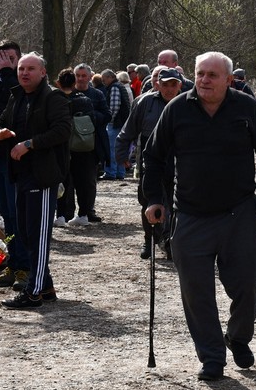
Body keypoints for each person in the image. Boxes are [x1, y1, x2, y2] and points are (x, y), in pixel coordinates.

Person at [142, 52, 256, 382]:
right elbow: (154, 156)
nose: (204, 80)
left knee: (248, 282)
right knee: (196, 292)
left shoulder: (246, 107)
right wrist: (152, 200)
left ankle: (238, 337)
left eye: (212, 75)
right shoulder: (177, 109)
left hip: (240, 213)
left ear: (228, 80)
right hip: (190, 215)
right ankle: (212, 356)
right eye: (200, 73)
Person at [0, 52, 72, 309]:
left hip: (43, 176)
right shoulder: (17, 97)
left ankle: (33, 291)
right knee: (25, 233)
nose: (24, 73)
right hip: (20, 174)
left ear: (43, 73)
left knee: (38, 235)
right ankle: (45, 286)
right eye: (21, 69)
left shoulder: (53, 97)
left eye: (30, 69)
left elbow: (62, 130)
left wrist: (29, 144)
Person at [115, 66, 182, 259]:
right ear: (157, 85)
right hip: (150, 158)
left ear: (179, 85)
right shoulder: (144, 102)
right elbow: (128, 131)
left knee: (175, 201)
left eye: (173, 84)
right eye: (165, 84)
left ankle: (170, 241)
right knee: (149, 201)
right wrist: (122, 156)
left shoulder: (187, 103)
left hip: (178, 158)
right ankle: (149, 240)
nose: (169, 89)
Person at [0, 42, 31, 288]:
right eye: (2, 58)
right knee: (6, 216)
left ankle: (25, 269)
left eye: (11, 58)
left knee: (18, 215)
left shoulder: (20, 83)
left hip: (15, 159)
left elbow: (14, 98)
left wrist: (7, 72)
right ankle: (14, 264)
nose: (6, 62)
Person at [55, 68, 97, 227]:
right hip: (82, 146)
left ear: (58, 83)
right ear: (74, 83)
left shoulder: (54, 99)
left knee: (62, 181)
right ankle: (83, 214)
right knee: (83, 181)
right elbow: (93, 121)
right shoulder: (84, 100)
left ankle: (61, 215)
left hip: (61, 146)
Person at [74, 63, 111, 194]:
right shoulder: (68, 93)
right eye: (77, 75)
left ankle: (87, 211)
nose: (80, 78)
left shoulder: (97, 94)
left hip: (91, 145)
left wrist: (88, 116)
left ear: (90, 77)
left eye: (84, 76)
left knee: (89, 181)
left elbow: (107, 115)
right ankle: (66, 213)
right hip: (70, 145)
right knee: (69, 181)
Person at [101, 69, 131, 180]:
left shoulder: (114, 88)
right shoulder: (121, 86)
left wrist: (109, 121)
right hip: (122, 123)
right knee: (120, 149)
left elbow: (114, 107)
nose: (104, 83)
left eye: (104, 80)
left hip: (115, 123)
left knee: (111, 148)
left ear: (110, 77)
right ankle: (120, 172)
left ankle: (110, 172)